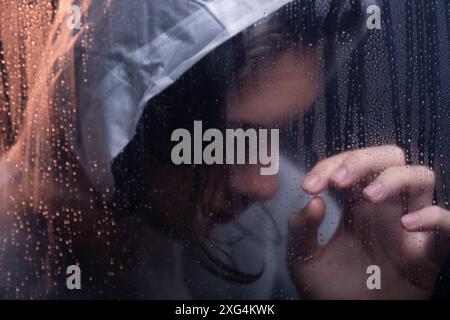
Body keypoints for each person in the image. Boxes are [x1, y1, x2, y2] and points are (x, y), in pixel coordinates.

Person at [0, 0, 449, 299]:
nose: (267, 183)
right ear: (121, 118)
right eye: (223, 140)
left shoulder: (307, 226)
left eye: (278, 133)